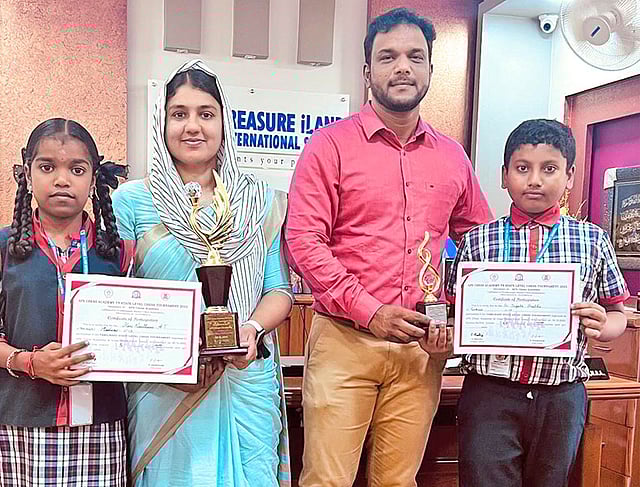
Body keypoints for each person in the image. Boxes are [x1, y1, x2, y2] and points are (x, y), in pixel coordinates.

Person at [285, 7, 492, 487]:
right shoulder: (329, 146)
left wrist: (457, 316)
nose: (403, 67)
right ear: (367, 72)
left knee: (398, 482)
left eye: (415, 57)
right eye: (388, 57)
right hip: (345, 341)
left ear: (430, 70)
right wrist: (370, 310)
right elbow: (303, 242)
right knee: (327, 481)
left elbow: (480, 245)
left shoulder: (452, 157)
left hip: (421, 350)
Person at [112, 59, 293, 487]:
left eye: (206, 114)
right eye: (179, 114)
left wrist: (251, 329)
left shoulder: (259, 200)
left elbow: (278, 289)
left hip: (245, 377)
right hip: (164, 387)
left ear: (224, 123)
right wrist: (170, 360)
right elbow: (119, 300)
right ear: (162, 124)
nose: (192, 127)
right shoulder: (132, 201)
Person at [446, 119, 629, 487]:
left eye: (549, 169)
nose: (534, 180)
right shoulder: (477, 240)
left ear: (569, 175)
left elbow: (617, 314)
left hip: (560, 396)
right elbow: (455, 313)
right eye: (522, 168)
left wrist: (603, 324)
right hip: (490, 392)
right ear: (504, 175)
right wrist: (446, 334)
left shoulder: (592, 240)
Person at [0, 118, 133, 486]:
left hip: (101, 426)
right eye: (47, 167)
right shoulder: (4, 248)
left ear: (93, 179)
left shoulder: (119, 253)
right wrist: (28, 362)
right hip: (22, 425)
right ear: (27, 174)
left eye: (77, 169)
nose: (62, 180)